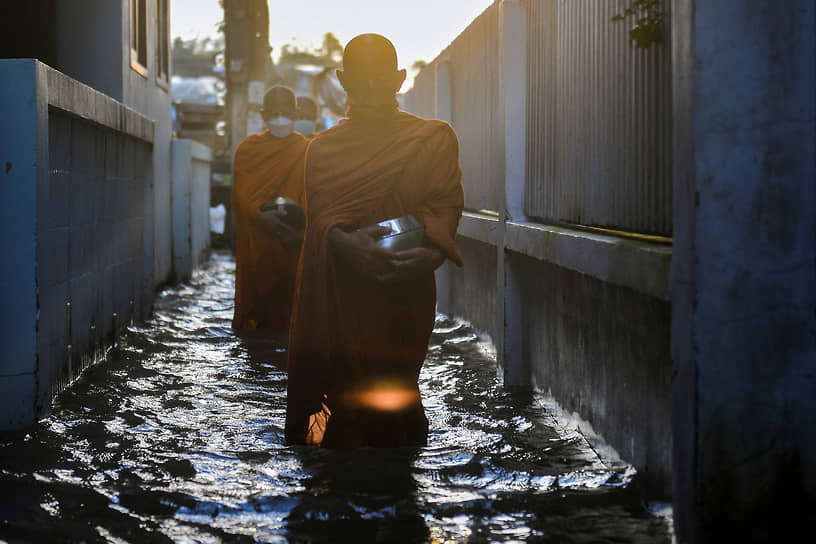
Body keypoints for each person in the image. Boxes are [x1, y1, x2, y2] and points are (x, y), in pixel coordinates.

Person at [285, 34, 465, 448]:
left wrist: (430, 254)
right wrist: (350, 247)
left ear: (399, 79)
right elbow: (321, 224)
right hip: (344, 293)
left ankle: (396, 486)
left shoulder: (433, 139)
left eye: (379, 80)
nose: (368, 90)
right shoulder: (323, 151)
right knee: (347, 401)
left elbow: (444, 206)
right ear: (342, 80)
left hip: (405, 291)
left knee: (398, 390)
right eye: (359, 80)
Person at [231, 85, 309, 331]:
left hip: (294, 244)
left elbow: (313, 194)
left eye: (285, 111)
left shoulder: (307, 150)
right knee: (256, 319)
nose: (279, 117)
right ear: (263, 116)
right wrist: (263, 220)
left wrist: (297, 230)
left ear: (297, 113)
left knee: (292, 316)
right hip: (260, 242)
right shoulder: (249, 149)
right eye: (273, 113)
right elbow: (241, 195)